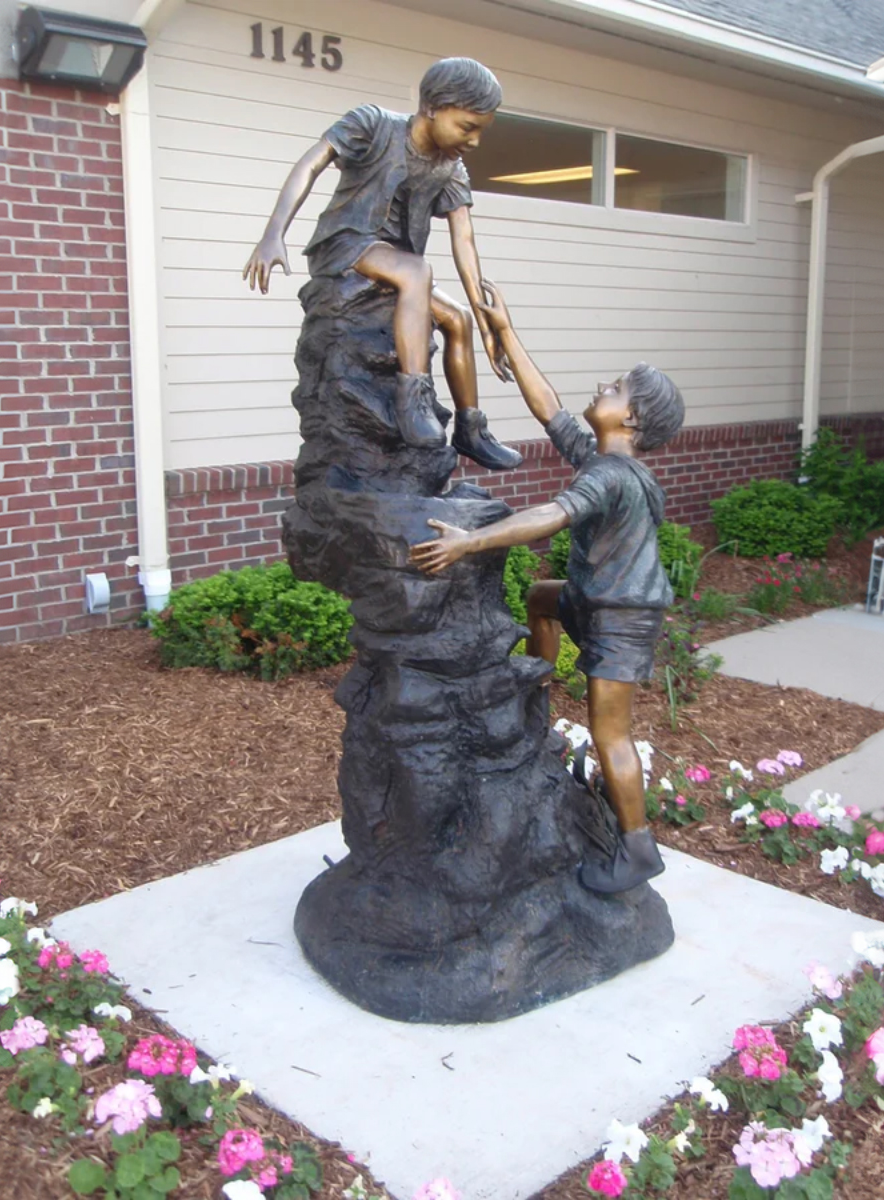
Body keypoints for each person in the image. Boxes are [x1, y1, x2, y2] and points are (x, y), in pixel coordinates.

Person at [410, 284, 685, 893]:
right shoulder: (599, 456)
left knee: (611, 731)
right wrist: (505, 332)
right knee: (539, 599)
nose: (601, 390)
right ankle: (536, 682)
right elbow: (549, 408)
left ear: (632, 419)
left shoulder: (612, 476)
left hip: (622, 614)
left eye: (613, 390)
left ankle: (639, 849)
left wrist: (468, 542)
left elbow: (552, 515)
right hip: (591, 596)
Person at [242, 57, 521, 472]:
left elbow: (465, 242)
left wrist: (486, 327)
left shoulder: (451, 167)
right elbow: (312, 162)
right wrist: (273, 233)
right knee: (417, 272)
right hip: (346, 247)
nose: (475, 140)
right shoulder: (373, 124)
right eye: (467, 127)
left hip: (399, 264)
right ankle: (413, 400)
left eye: (481, 129)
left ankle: (470, 429)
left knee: (456, 318)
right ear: (432, 108)